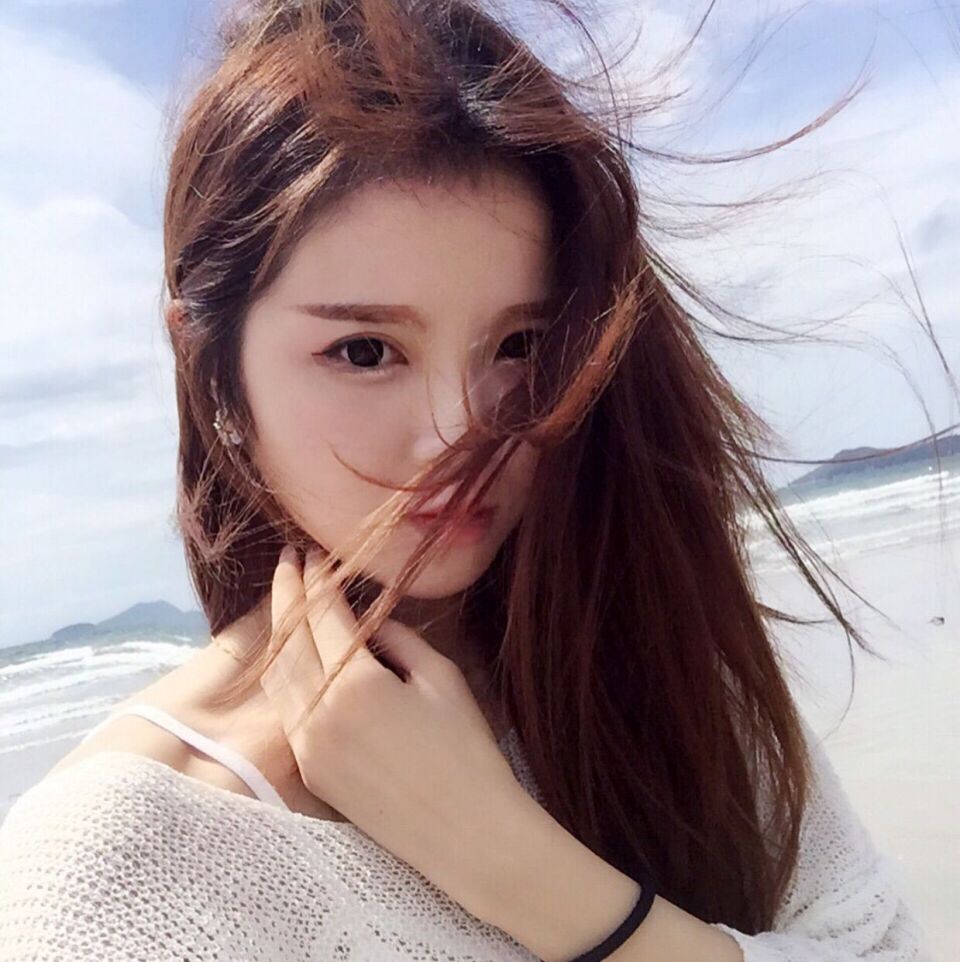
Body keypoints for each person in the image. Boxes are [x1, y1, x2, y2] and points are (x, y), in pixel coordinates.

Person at [0, 1, 936, 960]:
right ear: (210, 368)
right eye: (364, 350)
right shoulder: (108, 887)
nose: (463, 432)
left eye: (521, 344)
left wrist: (515, 865)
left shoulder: (645, 654)